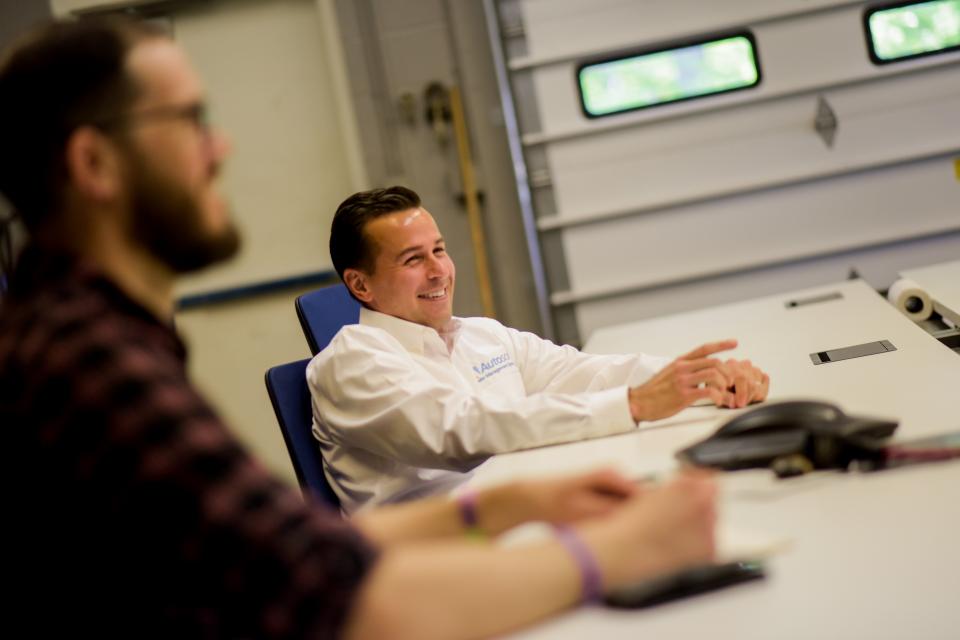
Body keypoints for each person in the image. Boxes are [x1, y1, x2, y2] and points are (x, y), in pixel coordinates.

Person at [0, 16, 718, 638]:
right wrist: (618, 554)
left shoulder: (85, 337)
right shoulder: (88, 367)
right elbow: (337, 603)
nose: (220, 149)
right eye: (188, 121)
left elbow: (288, 550)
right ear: (94, 163)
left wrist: (509, 504)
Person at [310, 186, 771, 512]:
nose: (439, 271)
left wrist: (699, 379)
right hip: (436, 560)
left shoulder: (480, 334)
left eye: (440, 250)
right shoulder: (351, 363)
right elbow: (461, 433)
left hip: (515, 518)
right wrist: (633, 405)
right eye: (413, 259)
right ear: (360, 284)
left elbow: (581, 372)